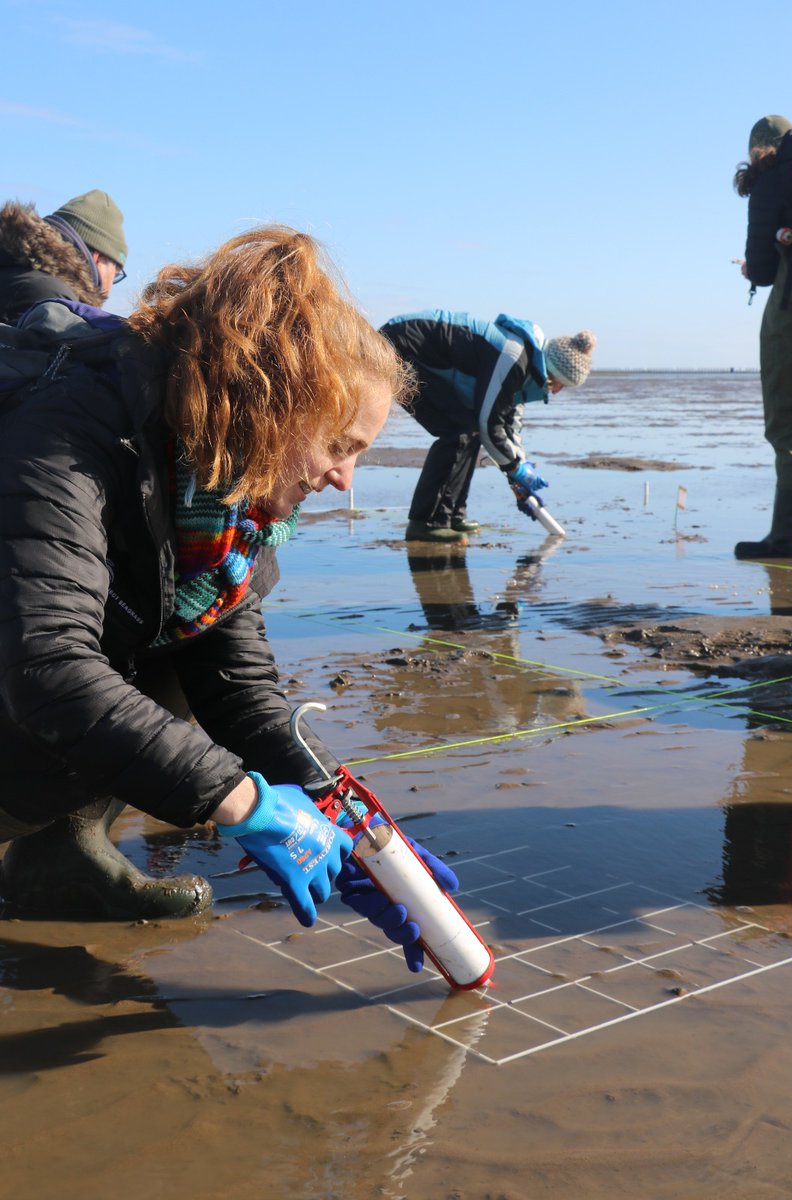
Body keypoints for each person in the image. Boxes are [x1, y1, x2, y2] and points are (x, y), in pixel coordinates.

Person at [0, 225, 457, 973]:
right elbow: (48, 666)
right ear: (275, 400)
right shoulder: (69, 431)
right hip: (20, 679)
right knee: (86, 679)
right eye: (341, 445)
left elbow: (237, 686)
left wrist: (352, 823)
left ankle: (61, 855)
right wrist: (244, 802)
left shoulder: (227, 502)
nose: (344, 479)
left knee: (185, 656)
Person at [379, 310, 597, 542]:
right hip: (396, 348)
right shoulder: (513, 356)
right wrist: (514, 469)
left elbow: (509, 426)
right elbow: (490, 424)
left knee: (468, 430)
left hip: (417, 354)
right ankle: (425, 523)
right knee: (458, 431)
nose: (556, 391)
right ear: (549, 370)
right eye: (558, 383)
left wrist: (519, 475)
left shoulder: (527, 367)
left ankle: (451, 516)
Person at [733, 115, 792, 560]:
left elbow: (760, 268)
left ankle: (782, 539)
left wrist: (750, 269)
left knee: (789, 426)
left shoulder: (772, 179)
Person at [0, 188, 128, 324]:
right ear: (99, 259)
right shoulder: (52, 300)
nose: (110, 289)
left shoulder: (13, 269)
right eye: (115, 275)